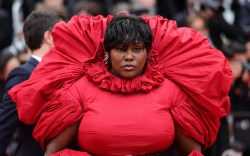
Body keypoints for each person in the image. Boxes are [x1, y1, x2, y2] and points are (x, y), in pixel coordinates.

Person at [9, 13, 233, 156]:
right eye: (120, 49)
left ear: (148, 52)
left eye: (137, 49)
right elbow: (54, 153)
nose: (129, 57)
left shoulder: (170, 90)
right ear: (107, 52)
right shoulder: (80, 89)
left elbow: (192, 153)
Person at [0, 10, 66, 156]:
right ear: (49, 37)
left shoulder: (67, 71)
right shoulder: (23, 75)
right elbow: (4, 126)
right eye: (64, 33)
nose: (69, 39)